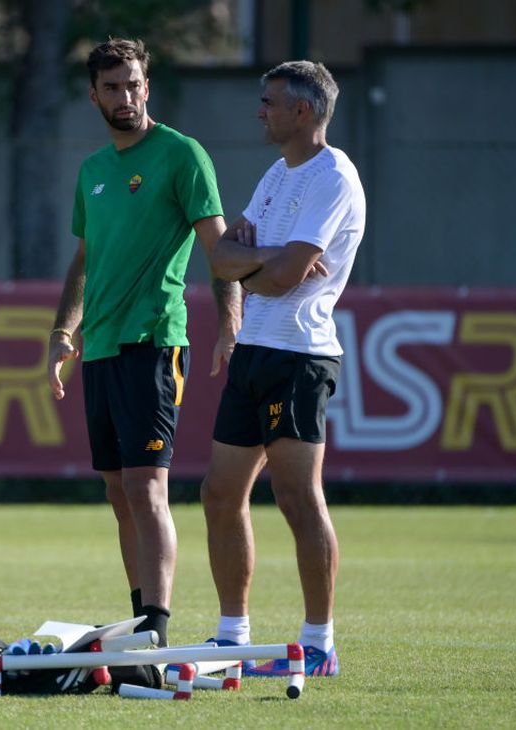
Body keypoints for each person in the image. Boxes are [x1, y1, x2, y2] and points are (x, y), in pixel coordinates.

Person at [46, 38, 239, 649]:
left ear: (147, 86)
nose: (125, 97)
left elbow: (220, 249)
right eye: (112, 87)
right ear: (93, 94)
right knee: (116, 491)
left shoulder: (182, 155)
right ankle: (136, 621)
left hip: (154, 342)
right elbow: (83, 259)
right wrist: (62, 332)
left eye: (133, 84)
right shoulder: (92, 171)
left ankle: (155, 627)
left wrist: (231, 319)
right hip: (98, 349)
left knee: (145, 485)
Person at [202, 60, 366, 677]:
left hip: (300, 355)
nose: (260, 110)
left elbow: (282, 280)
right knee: (219, 493)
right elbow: (222, 259)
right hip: (253, 352)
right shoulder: (277, 173)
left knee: (297, 496)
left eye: (270, 101)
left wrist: (257, 260)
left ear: (303, 111)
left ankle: (319, 643)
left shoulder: (333, 177)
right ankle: (231, 638)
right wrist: (262, 257)